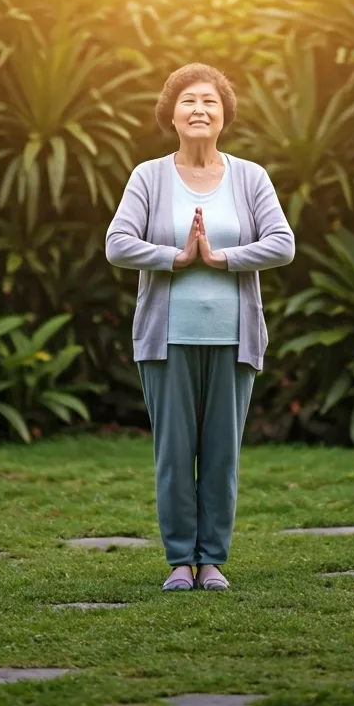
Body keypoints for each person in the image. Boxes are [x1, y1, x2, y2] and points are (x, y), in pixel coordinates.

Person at [106, 63, 294, 591]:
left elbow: (283, 243)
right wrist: (176, 257)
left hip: (234, 338)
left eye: (210, 102)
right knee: (173, 455)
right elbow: (117, 243)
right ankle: (178, 563)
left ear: (224, 115)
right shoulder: (149, 176)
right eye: (188, 101)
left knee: (220, 456)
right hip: (166, 339)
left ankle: (211, 560)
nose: (199, 110)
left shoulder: (250, 177)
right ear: (171, 114)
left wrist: (220, 259)